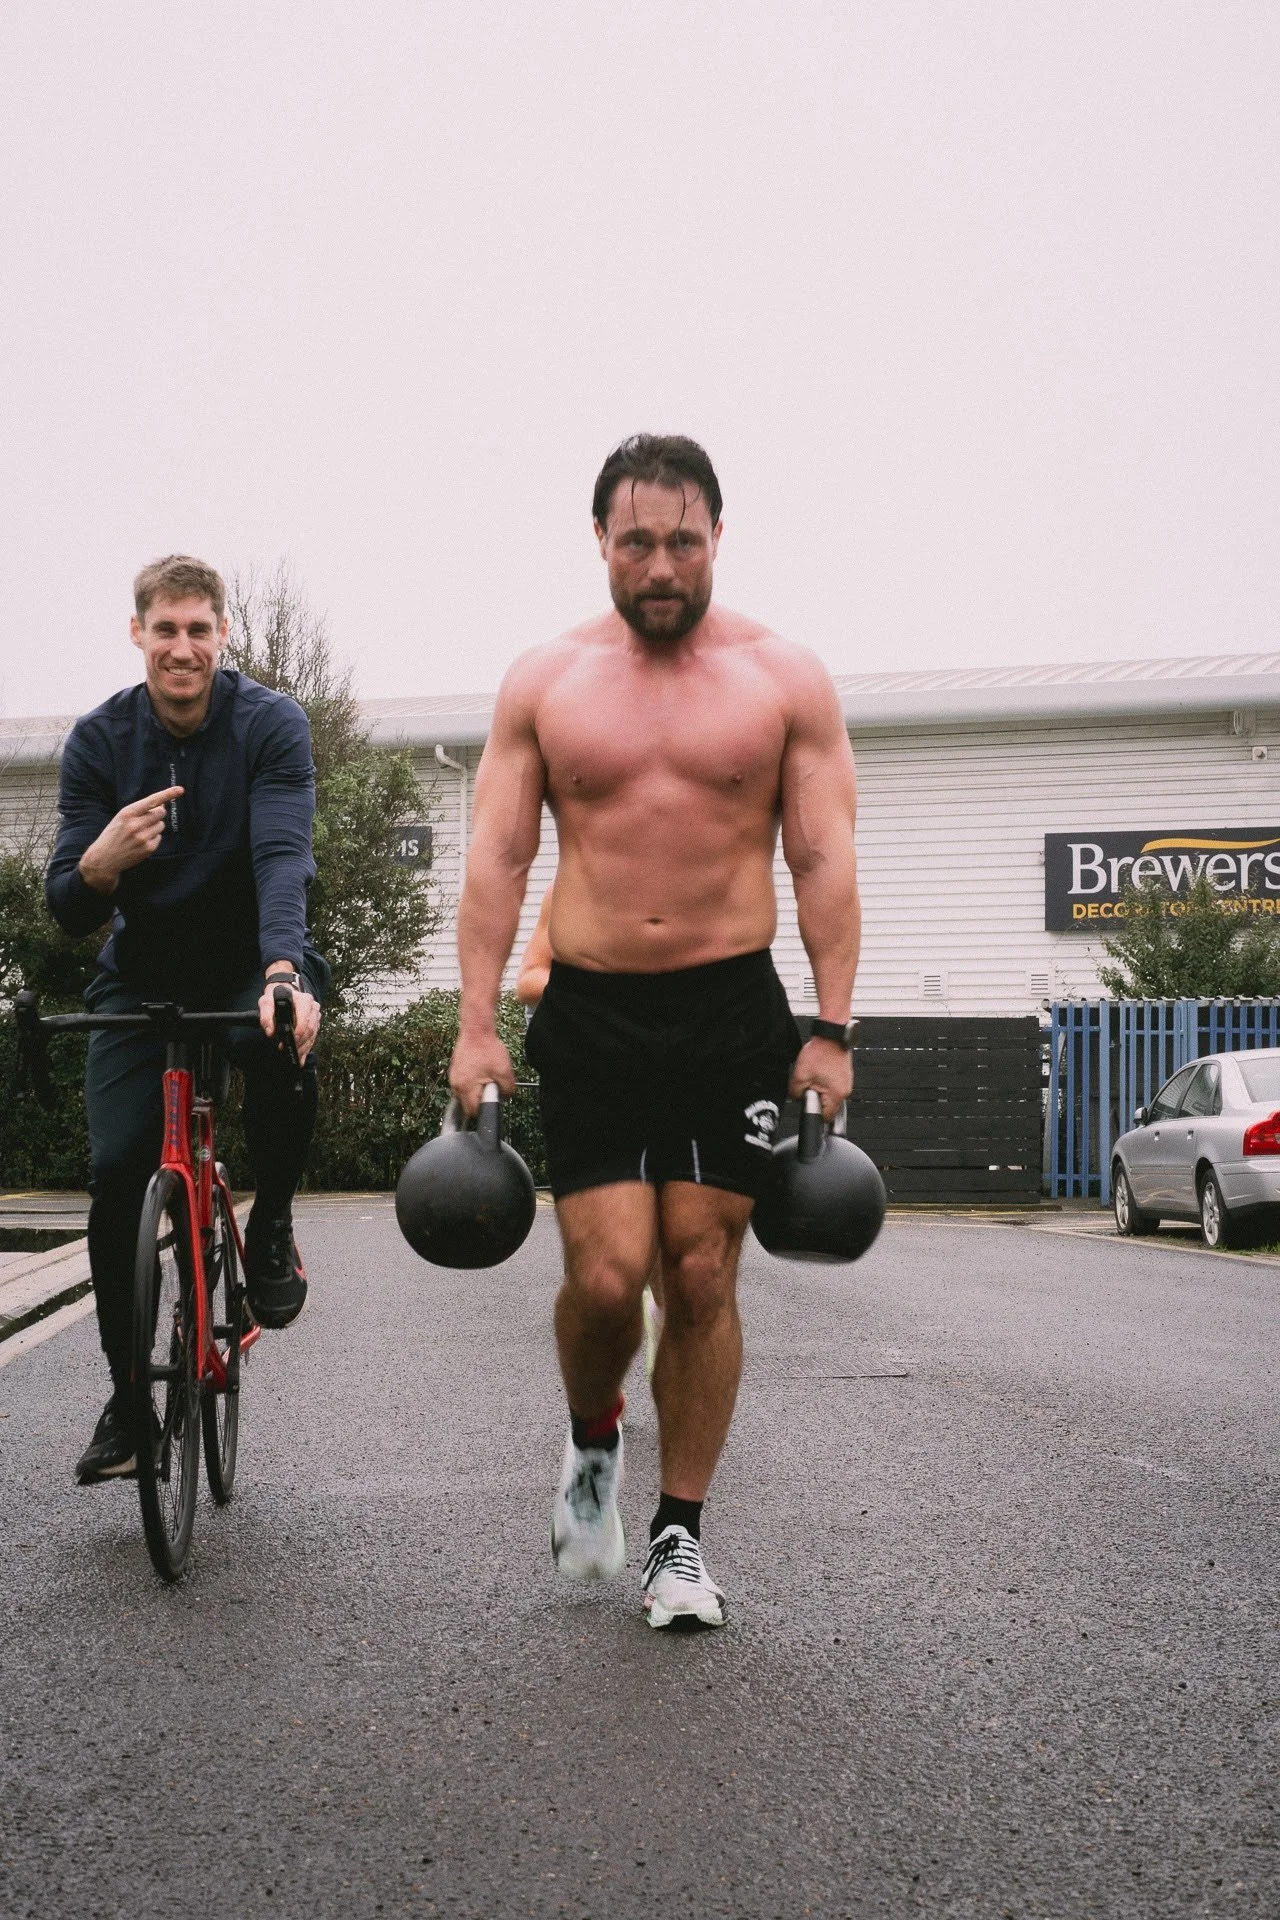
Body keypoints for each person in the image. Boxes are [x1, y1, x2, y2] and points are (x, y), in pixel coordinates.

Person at [449, 434, 860, 1629]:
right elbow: (498, 855)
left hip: (732, 1007)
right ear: (600, 544)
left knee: (697, 1269)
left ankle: (677, 1538)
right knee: (605, 1275)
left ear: (717, 536)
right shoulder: (546, 681)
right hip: (592, 1007)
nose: (662, 564)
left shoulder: (783, 678)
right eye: (638, 541)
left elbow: (821, 855)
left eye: (684, 540)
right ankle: (591, 1446)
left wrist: (828, 1027)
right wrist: (477, 1024)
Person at [45, 555, 327, 1483]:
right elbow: (67, 905)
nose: (182, 647)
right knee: (119, 1167)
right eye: (165, 630)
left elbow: (284, 852)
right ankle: (130, 1406)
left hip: (255, 956)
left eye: (199, 629)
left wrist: (284, 970)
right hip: (144, 977)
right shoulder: (98, 742)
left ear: (223, 634)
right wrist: (102, 862)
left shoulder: (270, 725)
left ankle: (275, 1222)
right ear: (138, 633)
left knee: (280, 1037)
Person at [516, 886, 664, 1380]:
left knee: (680, 1245)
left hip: (676, 1071)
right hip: (597, 1076)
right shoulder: (571, 890)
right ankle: (599, 1412)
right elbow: (529, 981)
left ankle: (667, 1334)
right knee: (602, 1265)